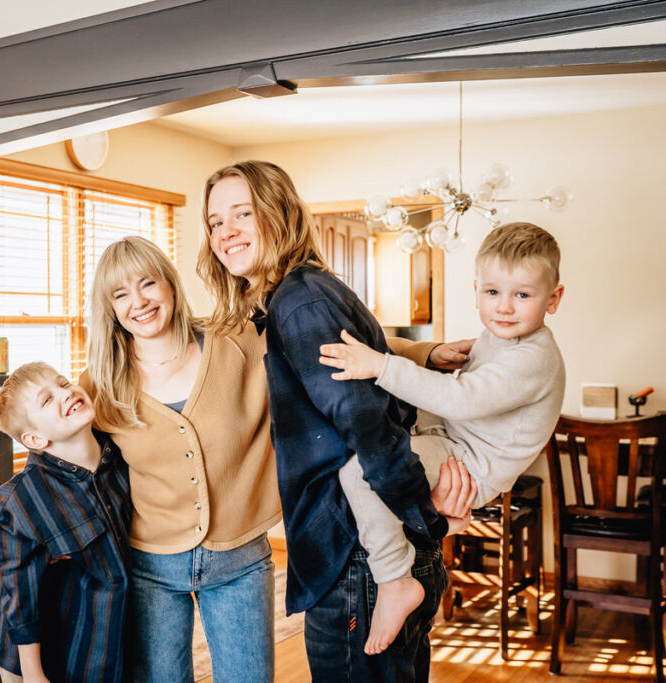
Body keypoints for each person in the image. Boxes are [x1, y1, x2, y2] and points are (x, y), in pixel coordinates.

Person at [80, 235, 468, 682]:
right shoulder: (100, 382)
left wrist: (425, 352)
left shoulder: (235, 340)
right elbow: (65, 456)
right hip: (150, 565)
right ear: (109, 308)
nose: (139, 302)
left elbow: (337, 345)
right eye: (120, 294)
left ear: (169, 285)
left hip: (240, 563)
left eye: (147, 284)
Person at [197, 160, 476, 681]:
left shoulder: (299, 302)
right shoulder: (297, 295)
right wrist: (423, 350)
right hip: (369, 551)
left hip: (359, 556)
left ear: (278, 214)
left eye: (242, 213)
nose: (225, 231)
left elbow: (365, 426)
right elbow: (357, 361)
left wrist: (426, 516)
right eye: (215, 221)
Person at [318, 221, 565, 654]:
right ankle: (439, 520)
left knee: (361, 474)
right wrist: (434, 355)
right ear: (476, 290)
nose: (504, 307)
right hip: (454, 438)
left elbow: (463, 400)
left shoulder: (534, 357)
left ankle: (395, 579)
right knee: (400, 406)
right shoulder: (497, 338)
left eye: (522, 295)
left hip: (469, 461)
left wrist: (379, 365)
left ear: (554, 299)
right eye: (492, 293)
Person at [0, 362, 132, 683]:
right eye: (46, 399)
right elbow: (20, 597)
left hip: (114, 644)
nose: (65, 394)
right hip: (55, 659)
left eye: (63, 383)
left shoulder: (124, 457)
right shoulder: (21, 502)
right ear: (35, 439)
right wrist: (33, 674)